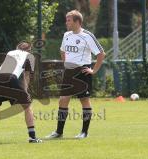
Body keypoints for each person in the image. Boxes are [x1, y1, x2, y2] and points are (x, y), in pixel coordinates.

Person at [45, 10, 105, 139]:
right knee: (62, 100)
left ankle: (84, 132)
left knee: (84, 100)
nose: (66, 23)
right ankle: (59, 132)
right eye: (66, 20)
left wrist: (93, 71)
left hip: (82, 71)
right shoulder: (66, 35)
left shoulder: (87, 36)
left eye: (69, 20)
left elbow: (101, 54)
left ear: (77, 22)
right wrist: (65, 64)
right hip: (69, 72)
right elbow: (62, 51)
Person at [0, 41, 42, 143]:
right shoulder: (30, 56)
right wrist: (25, 92)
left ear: (17, 47)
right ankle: (32, 137)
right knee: (27, 107)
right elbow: (26, 75)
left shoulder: (10, 52)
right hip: (10, 78)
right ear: (29, 50)